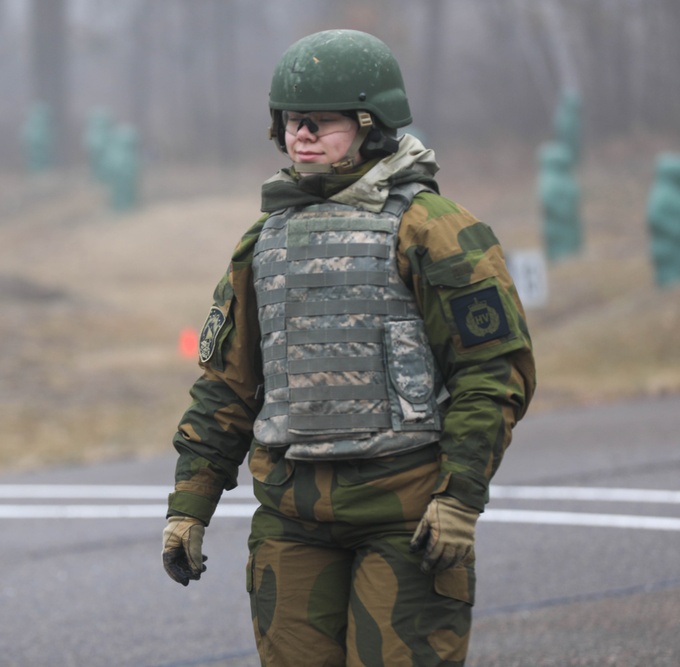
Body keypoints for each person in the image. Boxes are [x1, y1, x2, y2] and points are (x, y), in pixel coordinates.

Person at [161, 29, 536, 667]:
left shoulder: (434, 228)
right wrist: (189, 503)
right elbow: (226, 383)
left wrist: (459, 496)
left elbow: (491, 371)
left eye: (319, 122)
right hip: (291, 514)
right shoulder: (264, 239)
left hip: (406, 513)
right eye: (288, 121)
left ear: (371, 125)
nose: (299, 134)